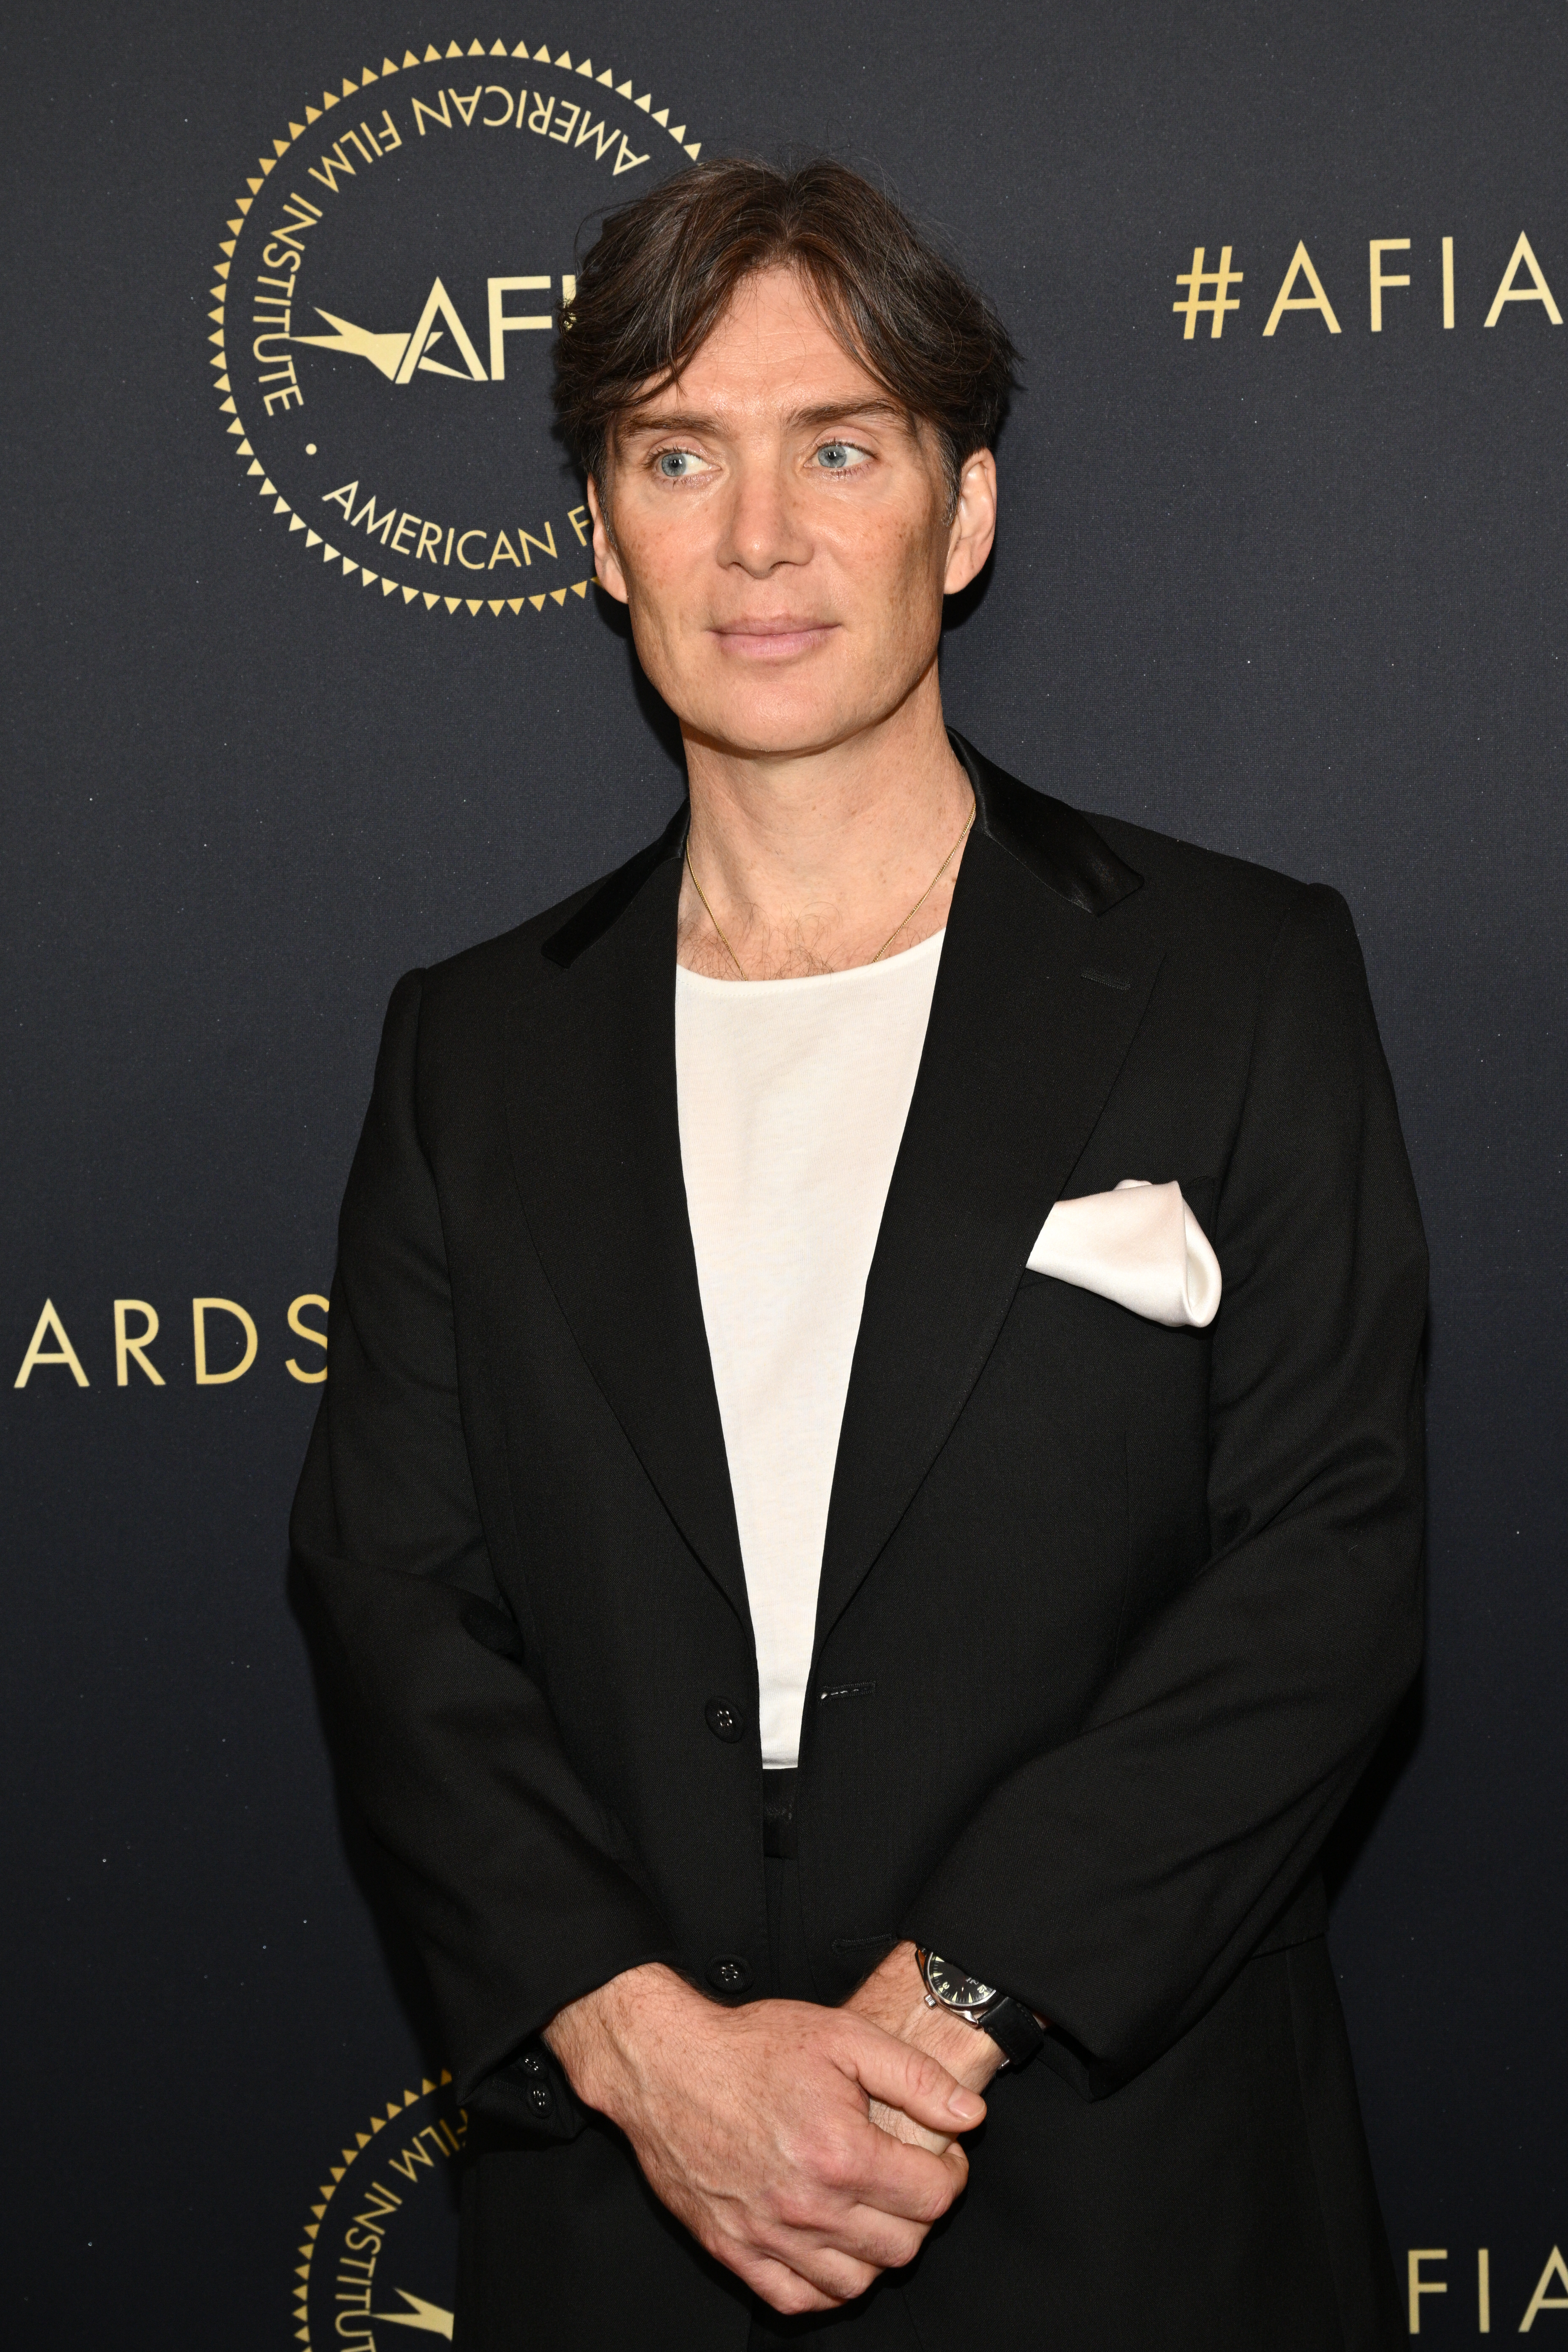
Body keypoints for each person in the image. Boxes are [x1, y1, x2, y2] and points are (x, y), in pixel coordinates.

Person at [292, 158, 1426, 2349]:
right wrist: (649, 2051)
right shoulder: (471, 1047)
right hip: (637, 2199)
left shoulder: (1235, 976)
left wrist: (940, 2014)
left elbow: (1329, 1567)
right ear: (602, 538)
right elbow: (390, 1608)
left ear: (960, 512)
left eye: (839, 445)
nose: (758, 535)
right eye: (675, 454)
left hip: (1129, 2176)